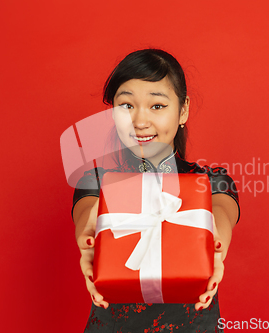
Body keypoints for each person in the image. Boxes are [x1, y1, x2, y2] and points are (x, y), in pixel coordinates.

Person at [71, 48, 240, 332]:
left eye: (157, 106)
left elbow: (219, 219)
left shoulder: (212, 182)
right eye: (126, 106)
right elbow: (87, 217)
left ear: (182, 109)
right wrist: (90, 231)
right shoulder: (96, 182)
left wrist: (215, 243)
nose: (140, 121)